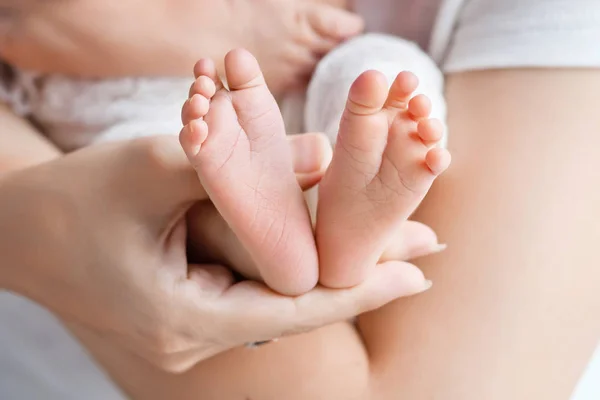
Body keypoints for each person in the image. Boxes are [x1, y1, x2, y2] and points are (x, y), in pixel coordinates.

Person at [2, 0, 600, 399]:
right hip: (134, 116)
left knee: (378, 77)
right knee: (157, 170)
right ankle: (313, 222)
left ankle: (304, 218)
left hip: (214, 111)